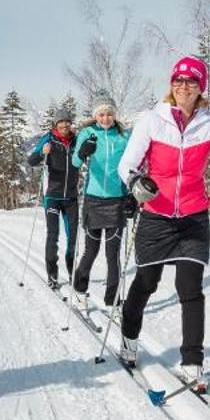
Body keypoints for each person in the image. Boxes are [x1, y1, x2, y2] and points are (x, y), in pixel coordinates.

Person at [115, 56, 210, 387]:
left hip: (193, 217)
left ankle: (192, 362)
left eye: (190, 82)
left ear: (200, 87)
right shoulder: (152, 120)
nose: (182, 86)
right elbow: (128, 164)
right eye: (177, 81)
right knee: (146, 283)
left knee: (190, 289)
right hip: (156, 215)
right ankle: (129, 341)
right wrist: (135, 184)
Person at [69, 99, 131, 305]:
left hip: (117, 200)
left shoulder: (124, 136)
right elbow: (75, 163)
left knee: (112, 255)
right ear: (95, 116)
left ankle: (112, 299)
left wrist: (131, 193)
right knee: (91, 251)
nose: (106, 118)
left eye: (109, 114)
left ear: (115, 115)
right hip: (93, 199)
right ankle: (79, 287)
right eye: (101, 114)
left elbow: (133, 165)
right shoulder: (87, 134)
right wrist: (82, 151)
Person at [26, 112, 81, 290]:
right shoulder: (48, 139)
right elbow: (31, 160)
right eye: (61, 122)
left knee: (73, 238)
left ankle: (73, 272)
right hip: (52, 196)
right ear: (56, 124)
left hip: (71, 197)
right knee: (53, 236)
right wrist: (42, 152)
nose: (64, 125)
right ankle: (52, 274)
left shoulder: (76, 140)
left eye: (67, 122)